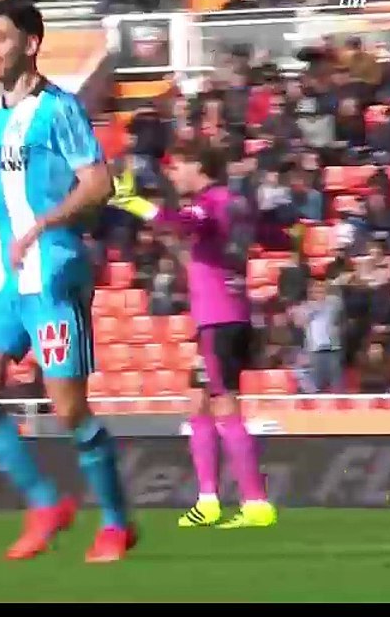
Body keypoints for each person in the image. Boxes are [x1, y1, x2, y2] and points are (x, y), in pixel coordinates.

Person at [0, 0, 135, 563]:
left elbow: (99, 185)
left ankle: (117, 524)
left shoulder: (59, 110)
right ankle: (46, 502)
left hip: (51, 271)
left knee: (69, 409)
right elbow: (1, 208)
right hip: (1, 278)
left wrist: (45, 225)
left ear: (30, 43)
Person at [108, 144, 278, 529]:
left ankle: (255, 502)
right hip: (222, 311)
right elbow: (201, 246)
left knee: (224, 403)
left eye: (179, 165)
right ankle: (208, 500)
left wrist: (134, 203)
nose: (173, 174)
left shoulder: (212, 201)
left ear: (199, 165)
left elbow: (185, 223)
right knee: (198, 403)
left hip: (219, 317)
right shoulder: (230, 202)